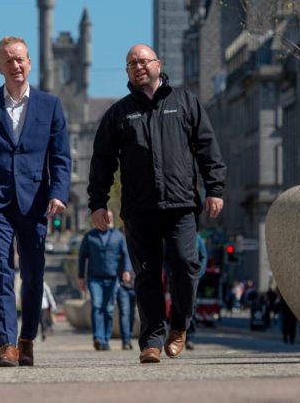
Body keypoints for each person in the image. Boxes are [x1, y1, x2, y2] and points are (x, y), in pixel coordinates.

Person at [87, 44, 226, 364]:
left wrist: (214, 189)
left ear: (158, 65)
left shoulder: (185, 102)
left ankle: (179, 326)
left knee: (186, 265)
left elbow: (208, 148)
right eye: (132, 63)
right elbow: (102, 163)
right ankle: (151, 340)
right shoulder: (118, 113)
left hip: (181, 205)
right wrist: (98, 203)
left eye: (143, 61)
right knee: (146, 276)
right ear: (127, 72)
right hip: (139, 209)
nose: (138, 67)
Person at [0, 36, 71, 367]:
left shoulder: (50, 105)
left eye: (21, 59)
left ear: (30, 63)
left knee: (34, 275)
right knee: (0, 271)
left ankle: (27, 340)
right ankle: (6, 345)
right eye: (9, 60)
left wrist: (58, 193)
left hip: (36, 201)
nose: (16, 65)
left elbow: (61, 156)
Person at [77, 212, 133, 351]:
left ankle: (105, 340)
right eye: (104, 217)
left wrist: (126, 270)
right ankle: (98, 337)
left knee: (108, 309)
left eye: (110, 218)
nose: (107, 220)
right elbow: (82, 257)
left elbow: (126, 254)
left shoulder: (118, 237)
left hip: (112, 279)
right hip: (94, 278)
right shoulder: (89, 237)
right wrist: (81, 277)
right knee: (96, 306)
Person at [185, 234, 208, 350]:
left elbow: (204, 256)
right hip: (177, 276)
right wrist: (170, 272)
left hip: (193, 277)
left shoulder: (198, 238)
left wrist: (200, 272)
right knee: (177, 305)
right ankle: (176, 334)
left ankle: (189, 337)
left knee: (191, 307)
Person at [116, 267, 137, 350]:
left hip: (135, 285)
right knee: (124, 313)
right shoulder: (123, 253)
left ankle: (129, 338)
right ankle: (126, 341)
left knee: (132, 315)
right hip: (122, 285)